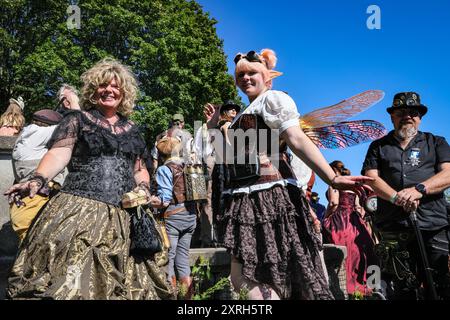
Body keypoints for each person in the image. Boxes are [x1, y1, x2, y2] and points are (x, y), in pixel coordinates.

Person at [204, 48, 373, 300]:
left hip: (271, 196)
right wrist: (213, 127)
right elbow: (226, 157)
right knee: (248, 277)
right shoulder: (244, 112)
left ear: (267, 78)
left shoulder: (273, 99)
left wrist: (332, 178)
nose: (246, 78)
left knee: (277, 273)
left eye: (253, 73)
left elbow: (296, 138)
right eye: (241, 75)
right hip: (244, 200)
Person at [4, 58, 174, 300]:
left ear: (124, 93)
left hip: (124, 216)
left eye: (116, 87)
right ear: (93, 92)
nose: (109, 91)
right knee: (71, 282)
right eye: (103, 86)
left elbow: (139, 169)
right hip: (79, 210)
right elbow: (59, 153)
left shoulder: (133, 130)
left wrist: (144, 187)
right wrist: (38, 179)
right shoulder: (77, 120)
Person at [362, 91, 450, 300]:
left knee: (438, 285)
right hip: (393, 225)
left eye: (413, 112)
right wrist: (395, 197)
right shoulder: (378, 146)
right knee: (400, 287)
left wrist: (418, 190)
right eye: (401, 112)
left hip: (433, 224)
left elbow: (448, 173)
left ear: (420, 117)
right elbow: (370, 177)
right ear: (392, 116)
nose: (407, 116)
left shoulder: (436, 142)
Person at [149, 136, 197, 299]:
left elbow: (165, 200)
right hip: (191, 217)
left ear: (162, 154)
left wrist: (149, 201)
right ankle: (187, 299)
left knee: (168, 260)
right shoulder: (190, 166)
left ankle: (171, 297)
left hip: (173, 219)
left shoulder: (164, 169)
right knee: (183, 260)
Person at [322, 160, 377, 296]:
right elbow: (359, 207)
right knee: (361, 252)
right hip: (355, 220)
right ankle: (368, 287)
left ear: (333, 170)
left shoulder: (334, 183)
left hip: (340, 222)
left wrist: (326, 217)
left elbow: (334, 203)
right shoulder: (353, 186)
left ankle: (346, 288)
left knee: (343, 253)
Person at [10, 109, 65, 241]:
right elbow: (71, 128)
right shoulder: (39, 132)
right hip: (34, 197)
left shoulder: (26, 133)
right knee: (35, 241)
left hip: (24, 200)